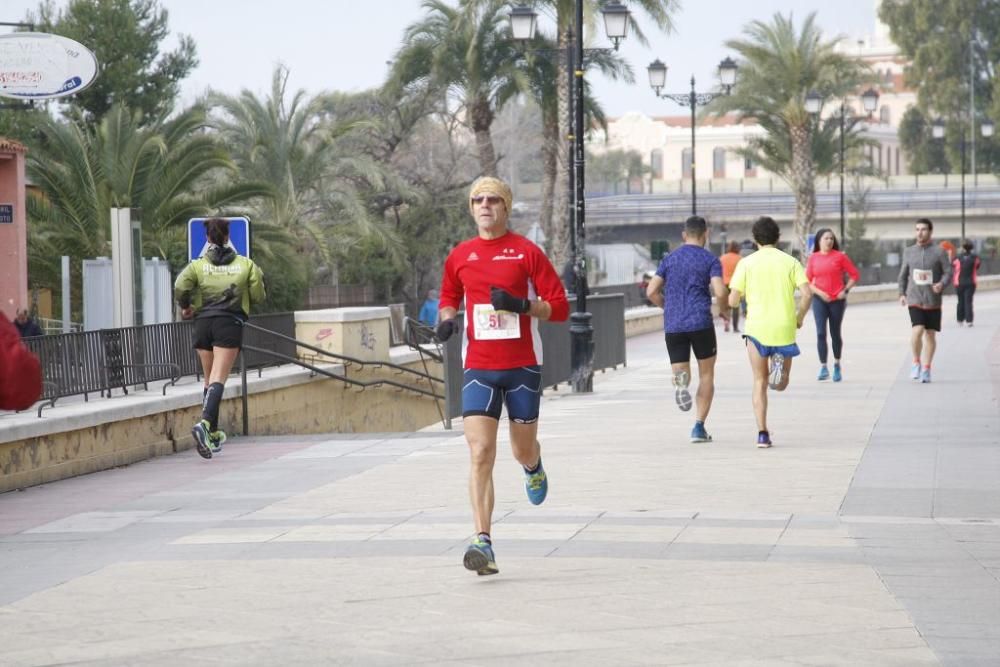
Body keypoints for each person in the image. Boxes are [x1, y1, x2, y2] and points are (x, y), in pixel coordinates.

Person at [435, 176, 569, 576]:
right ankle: (483, 541)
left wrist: (521, 305)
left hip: (523, 365)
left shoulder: (527, 253)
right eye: (478, 199)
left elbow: (560, 307)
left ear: (506, 207)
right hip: (478, 365)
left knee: (520, 450)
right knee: (480, 453)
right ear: (471, 207)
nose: (485, 205)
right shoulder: (460, 255)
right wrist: (446, 322)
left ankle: (534, 466)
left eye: (493, 199)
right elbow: (447, 298)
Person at [174, 218, 266, 459]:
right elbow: (258, 295)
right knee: (218, 379)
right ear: (227, 237)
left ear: (207, 239)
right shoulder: (246, 265)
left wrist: (186, 307)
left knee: (208, 380)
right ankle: (203, 424)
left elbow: (180, 286)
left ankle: (212, 435)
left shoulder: (197, 266)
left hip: (203, 324)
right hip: (229, 324)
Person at [728, 216, 812, 449]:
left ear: (755, 239)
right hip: (784, 326)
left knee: (759, 381)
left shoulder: (746, 263)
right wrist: (799, 317)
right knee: (780, 384)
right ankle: (779, 371)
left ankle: (762, 433)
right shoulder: (790, 262)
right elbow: (807, 293)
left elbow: (733, 300)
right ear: (778, 238)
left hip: (757, 328)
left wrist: (738, 299)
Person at [645, 215, 727, 443]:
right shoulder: (710, 259)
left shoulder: (669, 259)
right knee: (707, 374)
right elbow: (720, 292)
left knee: (681, 369)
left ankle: (680, 383)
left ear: (684, 235)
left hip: (674, 324)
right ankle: (699, 426)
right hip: (700, 322)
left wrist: (667, 306)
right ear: (705, 234)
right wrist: (724, 310)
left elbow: (651, 291)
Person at [898, 218, 951, 383]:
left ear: (930, 232)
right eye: (917, 229)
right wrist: (901, 293)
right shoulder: (909, 251)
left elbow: (948, 272)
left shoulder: (939, 252)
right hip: (915, 297)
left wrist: (941, 284)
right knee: (917, 330)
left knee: (930, 334)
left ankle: (927, 368)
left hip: (932, 299)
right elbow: (903, 274)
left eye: (923, 229)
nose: (920, 233)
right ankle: (916, 362)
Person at [805, 228, 860, 382]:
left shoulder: (840, 257)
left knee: (835, 333)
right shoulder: (813, 258)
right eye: (825, 238)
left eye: (831, 238)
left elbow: (855, 275)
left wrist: (845, 290)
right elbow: (807, 281)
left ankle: (836, 364)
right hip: (819, 300)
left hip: (837, 301)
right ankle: (823, 367)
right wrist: (820, 293)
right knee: (821, 333)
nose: (829, 241)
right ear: (819, 241)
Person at [0, 311, 43, 410]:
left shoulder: (32, 327)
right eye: (19, 317)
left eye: (22, 317)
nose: (21, 319)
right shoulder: (8, 327)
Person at [953, 239, 980, 327]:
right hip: (971, 282)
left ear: (963, 248)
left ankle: (960, 319)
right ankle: (969, 321)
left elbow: (952, 265)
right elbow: (977, 266)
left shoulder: (957, 258)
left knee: (960, 301)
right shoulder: (975, 258)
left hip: (959, 282)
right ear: (971, 248)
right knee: (968, 301)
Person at [719, 241, 742, 332]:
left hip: (724, 283)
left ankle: (726, 320)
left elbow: (718, 270)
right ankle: (735, 327)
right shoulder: (740, 259)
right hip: (735, 284)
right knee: (735, 306)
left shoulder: (723, 258)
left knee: (726, 305)